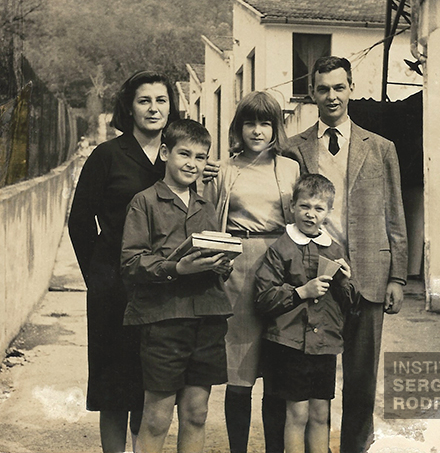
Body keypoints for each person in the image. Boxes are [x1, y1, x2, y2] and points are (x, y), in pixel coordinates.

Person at [284, 56, 408, 453]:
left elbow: (395, 212)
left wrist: (398, 277)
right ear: (312, 93)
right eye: (323, 89)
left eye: (339, 87)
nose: (332, 96)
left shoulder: (382, 148)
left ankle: (356, 447)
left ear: (351, 88)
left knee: (361, 381)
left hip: (371, 275)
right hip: (315, 277)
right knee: (310, 381)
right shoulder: (293, 148)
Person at [68, 70, 179, 453]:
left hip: (164, 286)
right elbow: (80, 221)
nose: (153, 108)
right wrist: (97, 276)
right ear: (129, 108)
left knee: (154, 385)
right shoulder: (107, 156)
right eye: (144, 100)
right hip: (115, 288)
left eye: (161, 100)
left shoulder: (177, 155)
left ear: (171, 106)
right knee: (114, 386)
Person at [120, 119, 233, 453]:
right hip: (163, 321)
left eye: (200, 157)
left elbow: (215, 263)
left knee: (196, 414)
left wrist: (221, 265)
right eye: (184, 154)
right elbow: (130, 262)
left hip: (208, 320)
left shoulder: (206, 207)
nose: (192, 163)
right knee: (156, 419)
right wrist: (176, 268)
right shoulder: (145, 202)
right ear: (166, 153)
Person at [205, 90, 300, 453]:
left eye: (265, 123)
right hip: (238, 269)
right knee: (239, 370)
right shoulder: (224, 168)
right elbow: (210, 221)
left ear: (276, 126)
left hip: (280, 267)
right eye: (250, 123)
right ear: (238, 127)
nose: (257, 131)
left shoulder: (289, 167)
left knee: (276, 366)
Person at [255, 174, 359, 453]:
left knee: (319, 414)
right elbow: (264, 298)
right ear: (292, 206)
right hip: (290, 345)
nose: (310, 215)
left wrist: (346, 281)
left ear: (329, 212)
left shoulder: (335, 248)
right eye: (304, 207)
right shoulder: (280, 249)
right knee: (297, 414)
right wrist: (302, 291)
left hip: (324, 344)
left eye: (318, 208)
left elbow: (350, 303)